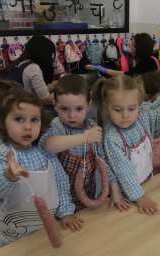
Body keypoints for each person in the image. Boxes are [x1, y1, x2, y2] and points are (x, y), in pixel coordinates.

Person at [0, 81, 84, 249]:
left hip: (46, 232)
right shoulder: (3, 154)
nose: (28, 126)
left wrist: (66, 212)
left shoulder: (44, 152)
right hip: (15, 238)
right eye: (19, 119)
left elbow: (60, 183)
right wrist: (9, 174)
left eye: (34, 120)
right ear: (2, 122)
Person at [92, 75, 160, 215]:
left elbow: (159, 113)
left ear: (138, 105)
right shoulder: (112, 137)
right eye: (118, 110)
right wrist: (139, 198)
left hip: (147, 181)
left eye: (131, 109)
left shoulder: (142, 116)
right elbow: (123, 171)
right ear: (107, 108)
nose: (126, 115)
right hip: (126, 192)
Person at [38, 75, 113, 212]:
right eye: (65, 109)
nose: (72, 115)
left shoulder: (92, 127)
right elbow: (47, 146)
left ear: (88, 106)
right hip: (59, 201)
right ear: (55, 105)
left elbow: (104, 161)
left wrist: (113, 191)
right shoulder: (56, 126)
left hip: (87, 194)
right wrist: (83, 137)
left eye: (79, 109)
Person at [86, 33, 160, 80]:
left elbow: (127, 74)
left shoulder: (148, 62)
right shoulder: (149, 59)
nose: (131, 48)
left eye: (133, 45)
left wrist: (102, 69)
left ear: (140, 47)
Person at [2, 35, 56, 115]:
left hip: (9, 107)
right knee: (61, 110)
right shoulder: (33, 68)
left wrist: (56, 85)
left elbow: (39, 90)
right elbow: (46, 100)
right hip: (22, 110)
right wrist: (63, 92)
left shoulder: (17, 64)